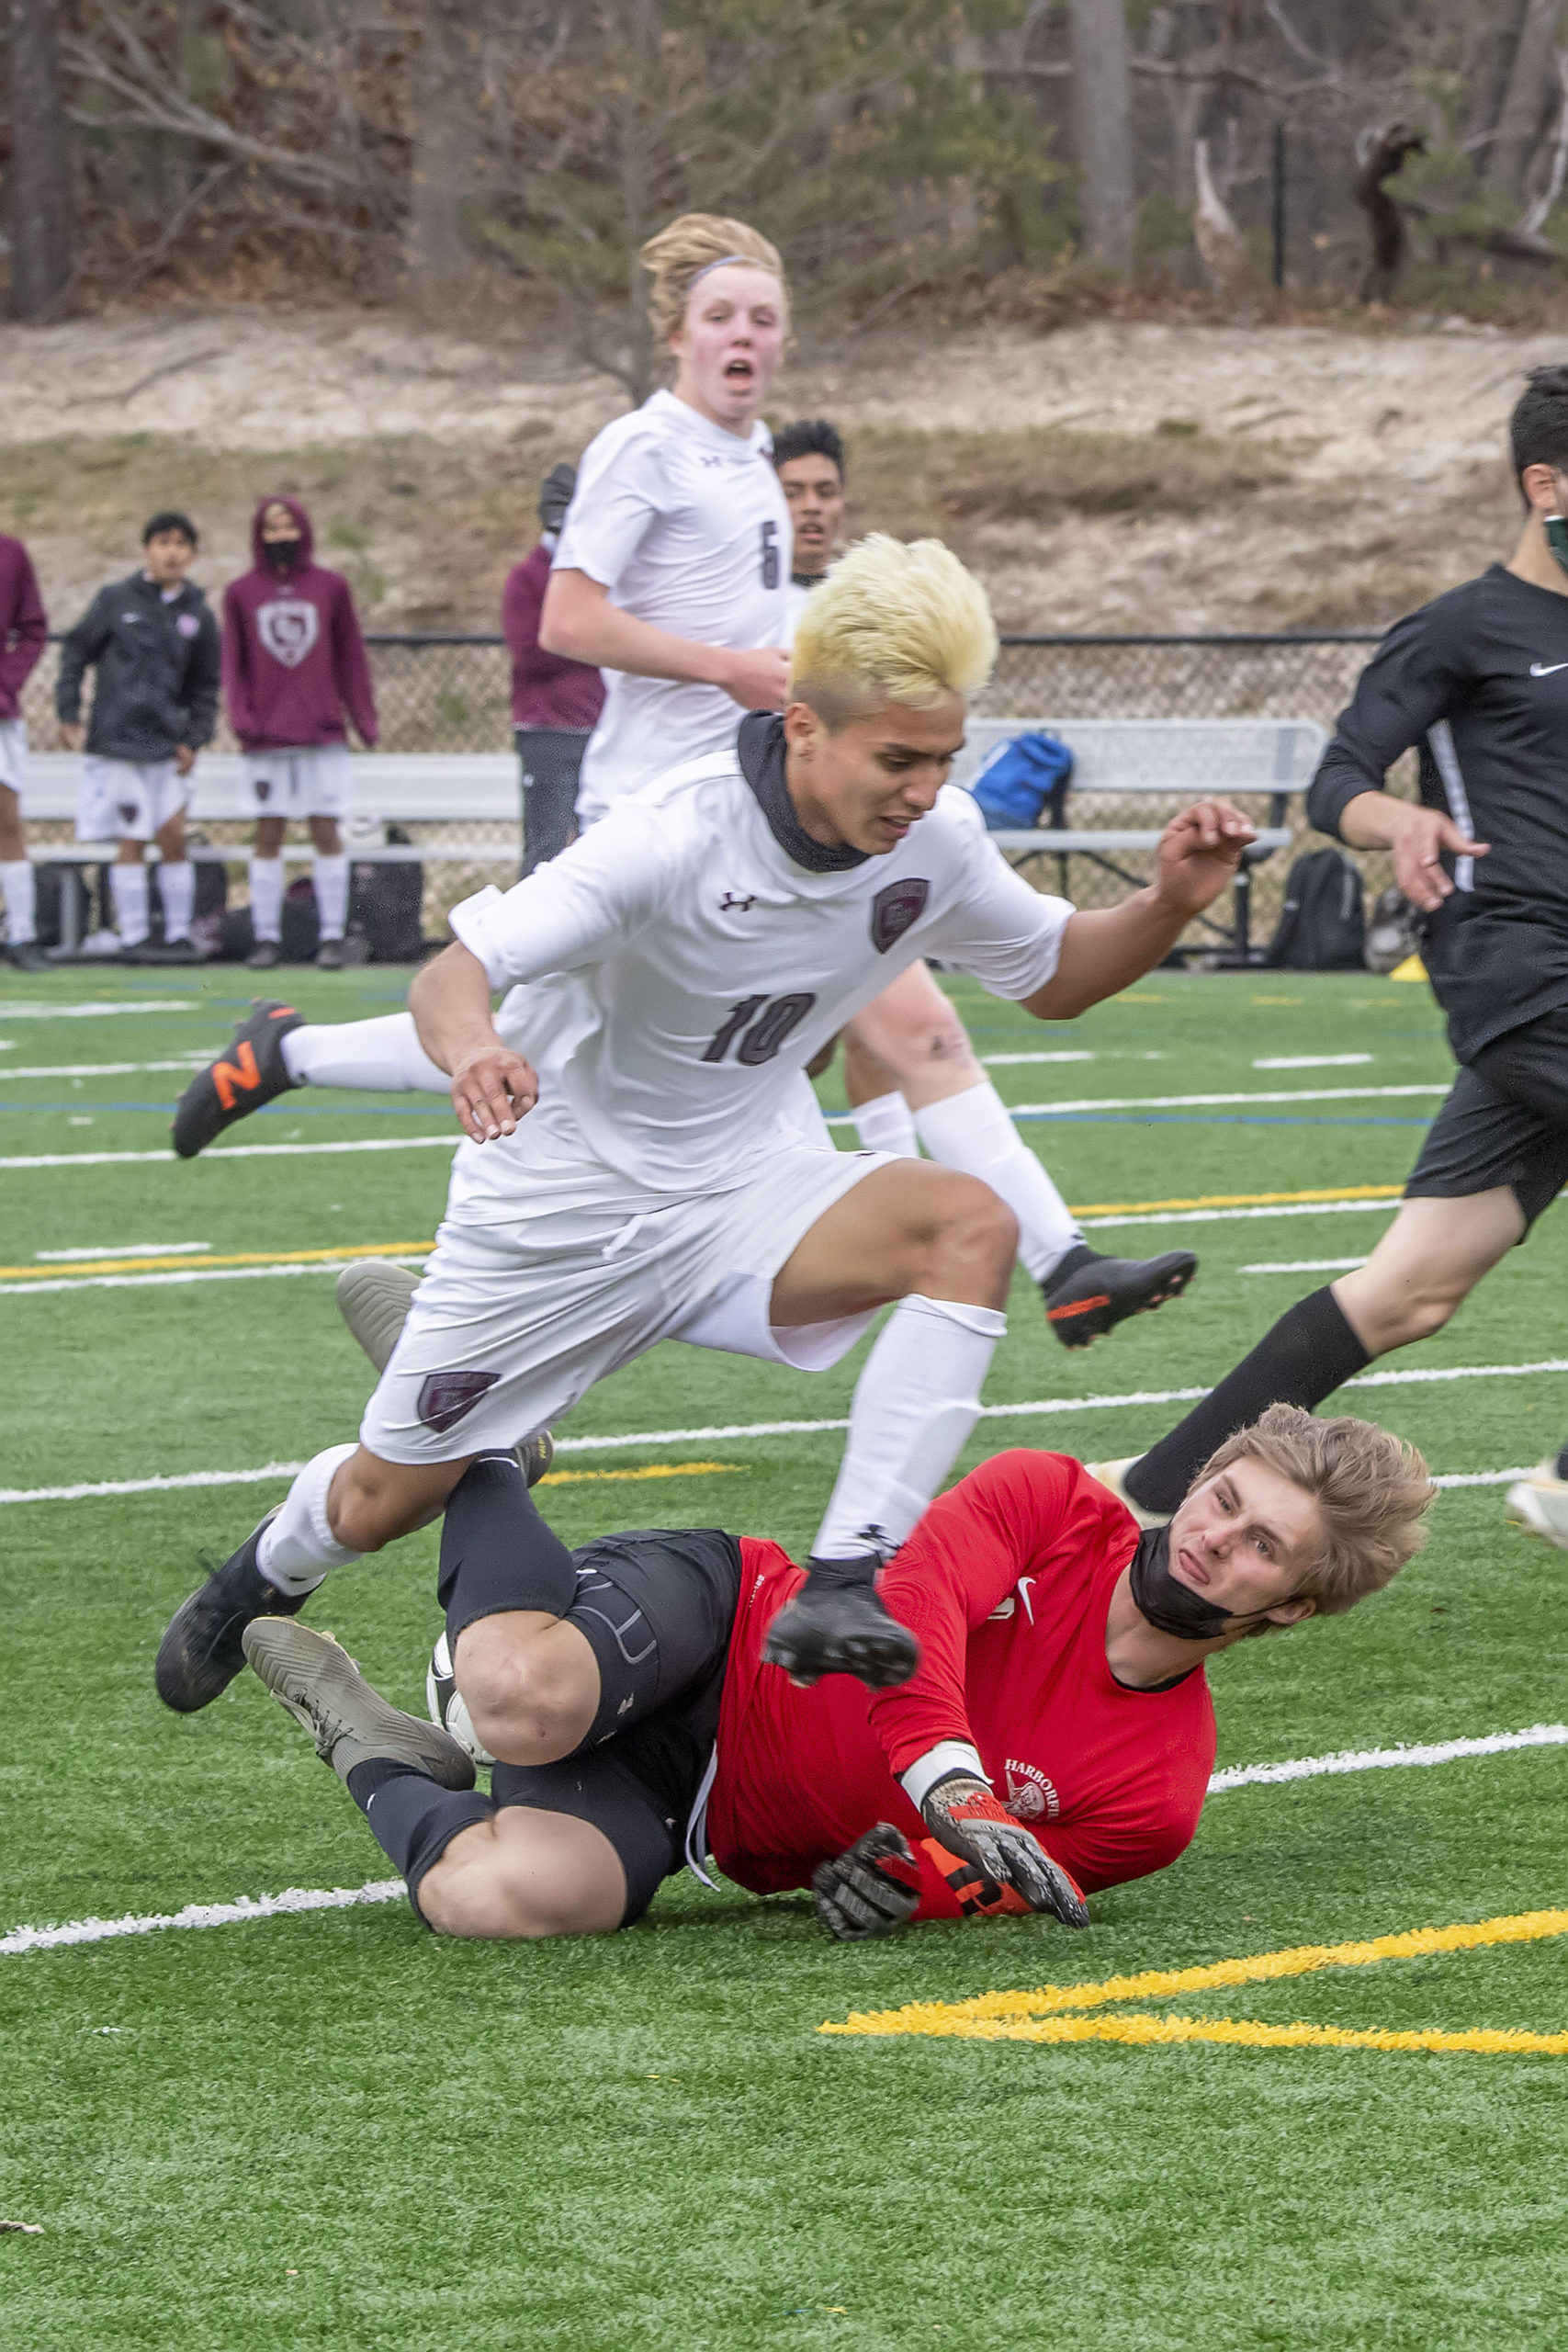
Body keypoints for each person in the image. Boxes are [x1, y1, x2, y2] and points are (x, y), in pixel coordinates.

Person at [154, 533, 1256, 1716]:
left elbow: (1056, 976)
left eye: (946, 758)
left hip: (747, 1191)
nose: (928, 790)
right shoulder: (672, 832)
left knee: (967, 1226)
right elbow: (450, 977)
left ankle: (846, 1579)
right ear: (802, 726)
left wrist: (1163, 904)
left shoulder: (935, 839)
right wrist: (476, 1049)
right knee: (381, 1499)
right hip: (559, 1212)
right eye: (899, 759)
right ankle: (263, 1572)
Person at [168, 226, 1198, 1352]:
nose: (742, 335)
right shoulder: (642, 447)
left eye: (762, 317)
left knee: (721, 1059)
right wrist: (729, 668)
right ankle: (1041, 1262)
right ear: (676, 335)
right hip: (657, 815)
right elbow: (570, 620)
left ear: (785, 340)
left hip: (767, 812)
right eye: (721, 316)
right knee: (586, 1050)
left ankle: (1039, 1260)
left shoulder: (748, 462)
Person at [236, 1403, 1432, 1941]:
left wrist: (900, 1890)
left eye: (1259, 1548)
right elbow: (906, 1609)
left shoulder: (1153, 1800)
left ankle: (365, 1739)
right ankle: (484, 1436)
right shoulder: (1045, 1500)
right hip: (725, 1622)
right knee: (514, 1699)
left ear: (1289, 1609)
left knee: (495, 1902)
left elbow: (979, 1884)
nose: (1215, 1538)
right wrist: (952, 1788)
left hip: (695, 1813)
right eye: (1225, 1501)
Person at [1089, 363, 1568, 1525]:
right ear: (1546, 482)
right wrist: (1399, 819)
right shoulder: (1464, 627)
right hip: (1520, 965)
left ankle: (1147, 1495)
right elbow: (1334, 780)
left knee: (1409, 1288)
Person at [773, 417, 1196, 1345]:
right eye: (792, 491)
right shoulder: (725, 594)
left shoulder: (863, 617)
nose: (810, 508)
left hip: (845, 869)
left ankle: (1047, 1258)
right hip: (747, 888)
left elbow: (1057, 975)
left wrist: (1165, 903)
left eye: (823, 491)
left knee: (921, 1033)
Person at [222, 495, 378, 972]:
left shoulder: (330, 587)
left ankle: (331, 936)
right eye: (271, 529)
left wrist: (363, 717)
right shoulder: (240, 593)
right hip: (266, 738)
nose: (281, 537)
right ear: (258, 536)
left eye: (289, 527)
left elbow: (350, 656)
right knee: (268, 832)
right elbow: (234, 662)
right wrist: (242, 717)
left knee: (325, 831)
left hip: (321, 733)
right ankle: (267, 938)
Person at [57, 510, 220, 965]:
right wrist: (68, 710)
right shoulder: (115, 600)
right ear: (147, 549)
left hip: (167, 744)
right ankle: (131, 936)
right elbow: (75, 653)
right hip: (118, 741)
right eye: (163, 542)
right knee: (131, 838)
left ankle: (177, 935)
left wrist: (195, 736)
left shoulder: (198, 615)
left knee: (173, 833)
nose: (172, 552)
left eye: (181, 544)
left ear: (192, 554)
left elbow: (205, 686)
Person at [501, 462, 604, 876]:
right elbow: (530, 652)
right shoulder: (527, 578)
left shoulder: (599, 575)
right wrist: (592, 639)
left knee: (602, 847)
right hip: (548, 735)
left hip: (600, 731)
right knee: (545, 848)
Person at [0, 530, 50, 972]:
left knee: (6, 821)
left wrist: (7, 682)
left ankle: (22, 934)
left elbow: (34, 628)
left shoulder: (11, 553)